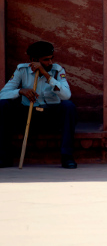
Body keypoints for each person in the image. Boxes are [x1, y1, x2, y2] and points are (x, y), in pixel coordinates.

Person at [0, 41, 78, 169]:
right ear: (33, 60)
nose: (50, 63)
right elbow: (2, 94)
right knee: (3, 105)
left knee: (69, 106)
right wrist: (20, 91)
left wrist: (47, 76)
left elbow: (66, 95)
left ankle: (67, 156)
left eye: (51, 58)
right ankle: (3, 157)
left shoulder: (57, 70)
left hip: (50, 115)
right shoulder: (22, 70)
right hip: (28, 115)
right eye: (46, 60)